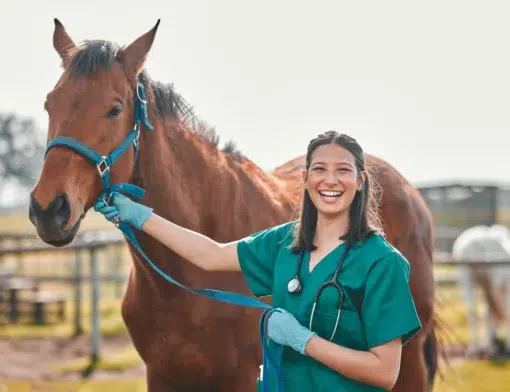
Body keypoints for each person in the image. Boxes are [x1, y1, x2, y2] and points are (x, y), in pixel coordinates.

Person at [94, 131, 422, 391]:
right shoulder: (283, 242)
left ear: (361, 181)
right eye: (320, 169)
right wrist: (139, 216)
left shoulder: (383, 263)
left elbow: (384, 372)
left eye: (343, 170)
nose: (330, 180)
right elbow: (211, 255)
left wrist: (304, 342)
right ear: (306, 179)